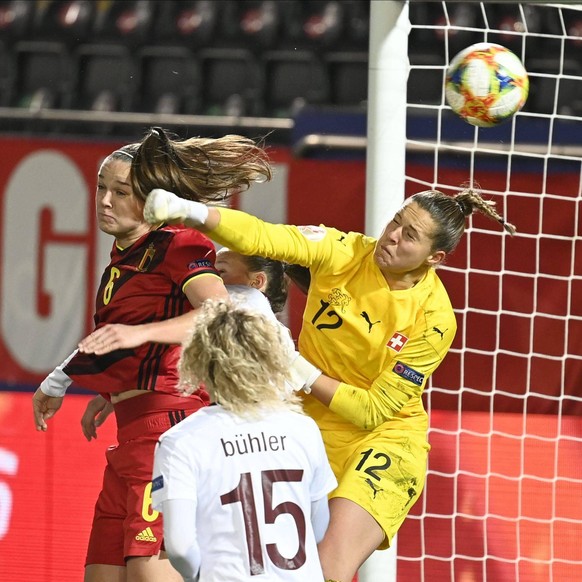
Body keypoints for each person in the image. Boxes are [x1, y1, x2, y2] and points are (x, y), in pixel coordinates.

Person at [138, 135, 516, 582]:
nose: (392, 236)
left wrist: (295, 368)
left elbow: (373, 410)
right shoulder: (343, 251)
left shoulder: (434, 320)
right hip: (306, 425)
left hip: (384, 440)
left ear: (435, 258)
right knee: (273, 565)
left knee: (329, 567)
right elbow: (266, 236)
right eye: (396, 221)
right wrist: (194, 212)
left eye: (409, 235)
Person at [31, 128, 273, 582]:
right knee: (100, 576)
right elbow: (129, 334)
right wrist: (106, 388)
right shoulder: (122, 260)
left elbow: (218, 312)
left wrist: (136, 336)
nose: (104, 199)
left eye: (120, 191)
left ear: (150, 200)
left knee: (150, 573)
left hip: (170, 432)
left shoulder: (180, 243)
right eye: (101, 186)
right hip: (130, 439)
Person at [151, 298, 338, 581]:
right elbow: (319, 527)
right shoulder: (303, 428)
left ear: (199, 359)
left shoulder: (180, 441)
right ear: (269, 357)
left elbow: (179, 547)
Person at [80, 248, 291, 441]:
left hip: (242, 440)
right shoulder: (219, 325)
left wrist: (57, 383)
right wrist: (113, 392)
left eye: (221, 272)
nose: (210, 280)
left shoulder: (249, 317)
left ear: (257, 282)